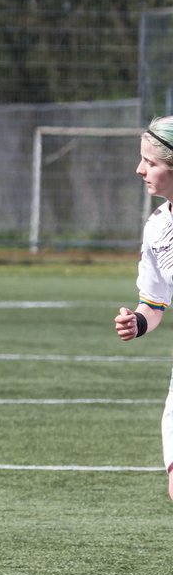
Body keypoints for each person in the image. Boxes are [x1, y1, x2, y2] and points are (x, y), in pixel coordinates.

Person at [116, 116, 173, 502]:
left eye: (150, 162)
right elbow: (154, 302)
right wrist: (138, 321)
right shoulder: (156, 227)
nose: (140, 170)